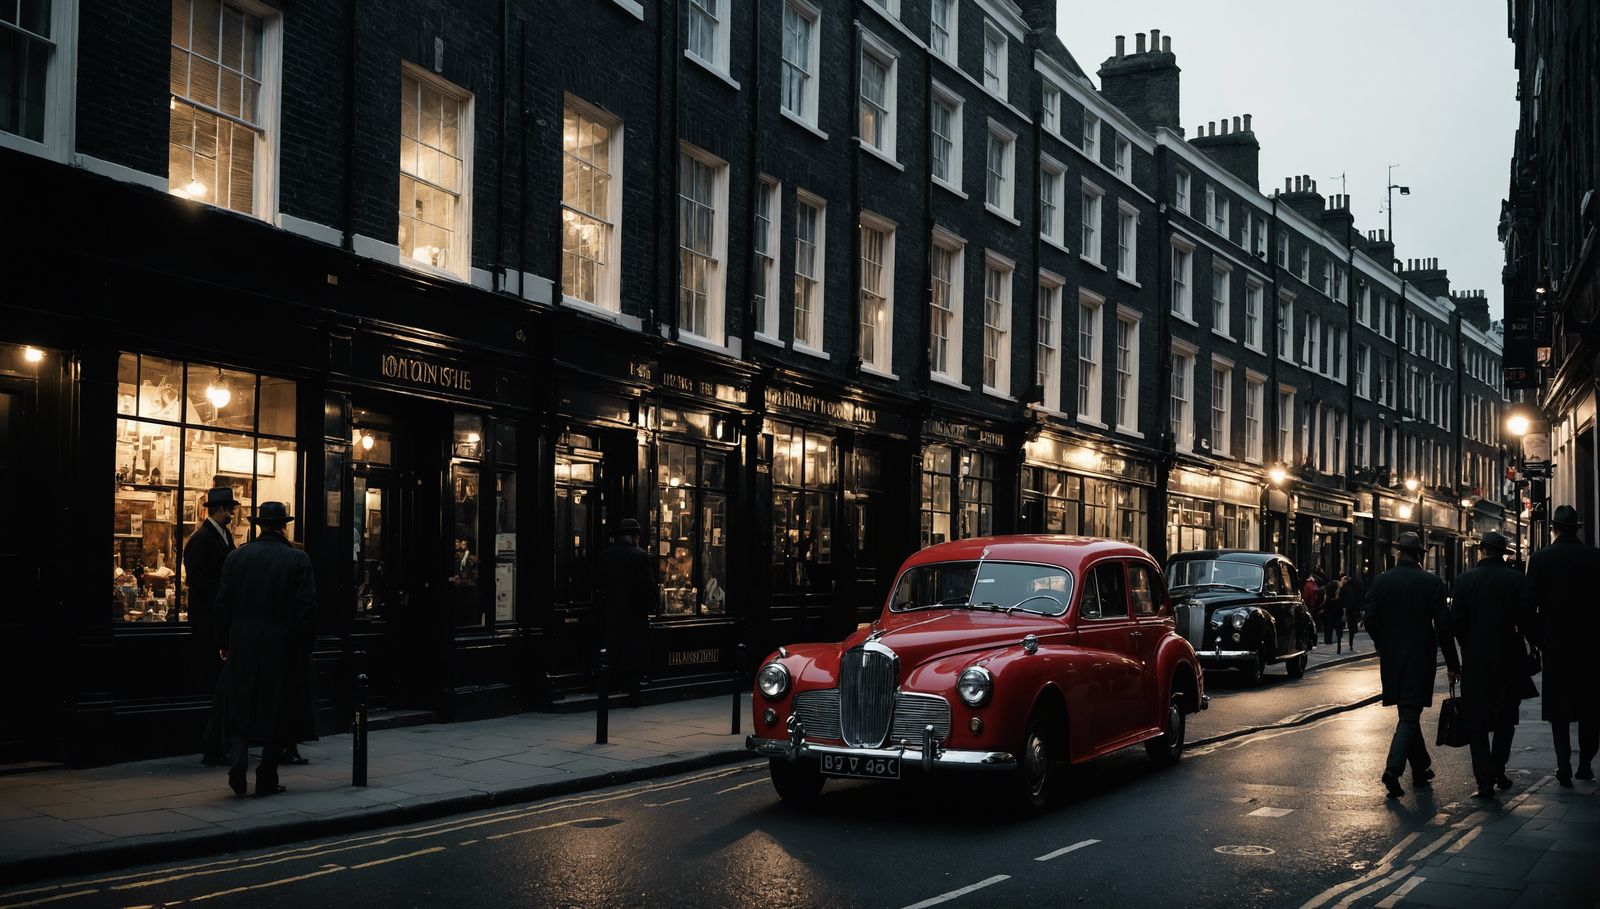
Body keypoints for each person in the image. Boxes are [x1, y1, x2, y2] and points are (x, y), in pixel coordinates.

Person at [214, 502, 316, 797]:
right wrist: (304, 647)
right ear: (284, 526)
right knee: (279, 708)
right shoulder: (298, 560)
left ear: (260, 525)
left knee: (241, 703)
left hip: (242, 641)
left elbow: (222, 604)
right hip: (282, 644)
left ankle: (239, 754)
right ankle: (267, 775)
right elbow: (307, 609)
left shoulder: (236, 557)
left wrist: (223, 642)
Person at [1364, 531, 1461, 798]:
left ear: (1398, 553)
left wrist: (1382, 642)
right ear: (1420, 555)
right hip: (1420, 659)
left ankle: (1421, 768)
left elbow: (1370, 617)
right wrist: (1453, 664)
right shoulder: (1431, 583)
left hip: (1392, 660)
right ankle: (1392, 770)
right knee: (1409, 715)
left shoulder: (1382, 582)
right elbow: (1444, 627)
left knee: (1408, 713)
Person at [1522, 505, 1600, 786]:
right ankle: (1586, 763)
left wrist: (1539, 640)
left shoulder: (1541, 559)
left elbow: (1527, 608)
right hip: (1591, 649)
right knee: (1590, 709)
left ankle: (1563, 764)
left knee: (1559, 713)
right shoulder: (1594, 558)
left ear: (1554, 528)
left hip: (1556, 649)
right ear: (1575, 529)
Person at [1450, 531, 1531, 799]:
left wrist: (1469, 645)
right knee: (1506, 720)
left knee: (1477, 723)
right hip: (1510, 660)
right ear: (1503, 553)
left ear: (1482, 551)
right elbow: (1526, 618)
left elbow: (1456, 623)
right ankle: (1498, 770)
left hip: (1476, 662)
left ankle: (1484, 781)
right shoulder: (1517, 580)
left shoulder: (1464, 581)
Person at [183, 486, 238, 766]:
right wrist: (226, 591)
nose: (231, 514)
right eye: (228, 509)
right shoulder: (201, 539)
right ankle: (213, 745)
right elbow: (197, 579)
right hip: (206, 621)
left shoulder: (224, 535)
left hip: (221, 620)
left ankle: (220, 741)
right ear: (216, 510)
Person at [595, 517, 654, 707]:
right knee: (633, 655)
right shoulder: (640, 555)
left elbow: (599, 584)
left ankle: (608, 688)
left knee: (612, 653)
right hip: (634, 615)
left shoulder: (605, 556)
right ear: (635, 537)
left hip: (611, 614)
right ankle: (633, 695)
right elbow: (648, 587)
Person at [1340, 571, 1364, 652]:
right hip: (1355, 609)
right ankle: (1351, 643)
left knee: (1345, 627)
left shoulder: (1346, 588)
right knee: (1352, 628)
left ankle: (1346, 645)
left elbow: (1342, 599)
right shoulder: (1356, 588)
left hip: (1348, 609)